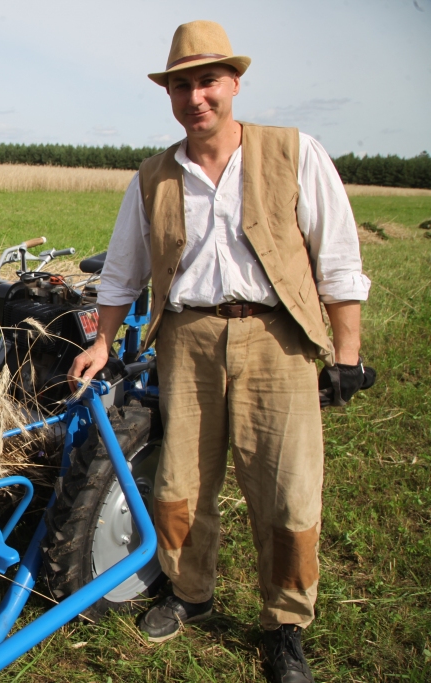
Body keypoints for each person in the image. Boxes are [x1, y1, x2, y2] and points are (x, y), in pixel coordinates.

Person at [67, 20, 375, 683]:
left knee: (288, 493)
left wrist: (346, 354)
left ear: (234, 83)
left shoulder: (293, 152)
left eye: (208, 81)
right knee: (181, 483)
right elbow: (123, 272)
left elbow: (339, 257)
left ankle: (285, 622)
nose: (195, 97)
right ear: (169, 94)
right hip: (188, 339)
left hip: (276, 339)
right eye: (182, 85)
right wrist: (101, 341)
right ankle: (191, 592)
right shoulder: (152, 177)